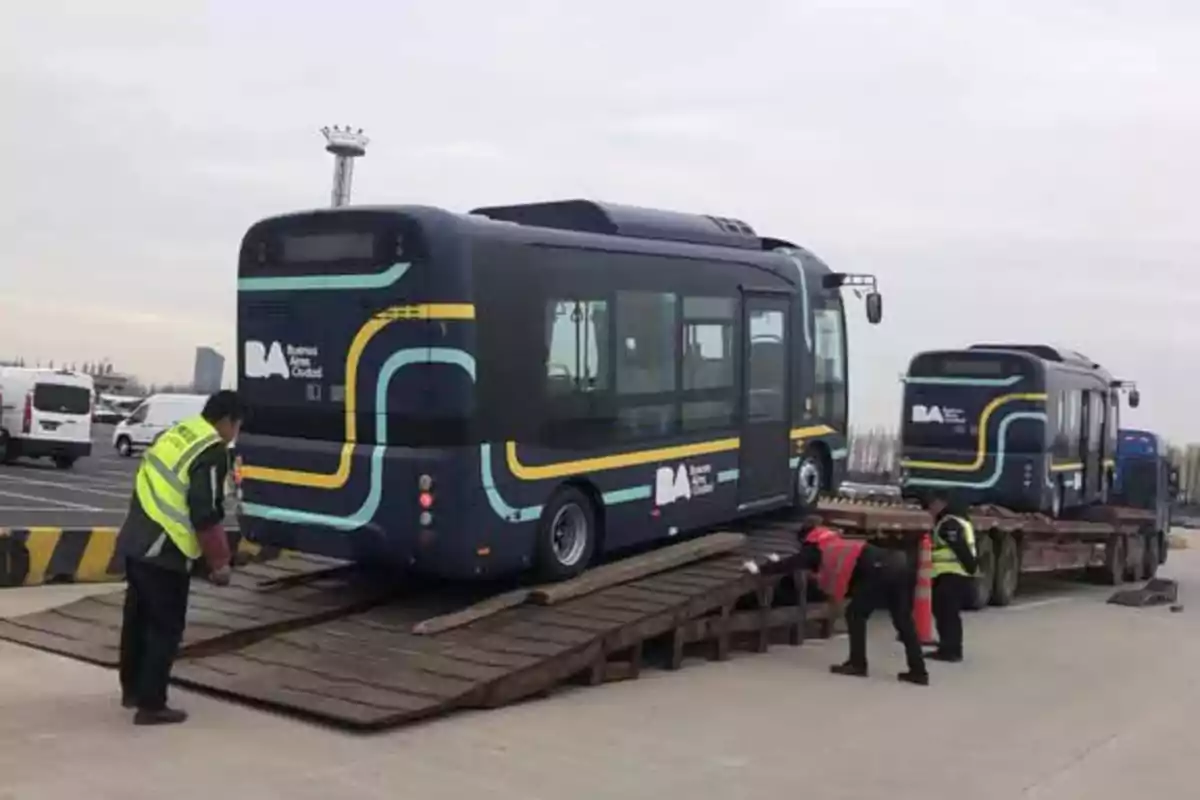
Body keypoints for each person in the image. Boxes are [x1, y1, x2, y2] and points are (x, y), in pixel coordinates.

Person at [115, 390, 243, 725]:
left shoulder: (179, 432)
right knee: (165, 627)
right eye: (238, 426)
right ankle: (152, 704)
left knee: (138, 619)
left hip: (136, 539)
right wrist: (219, 562)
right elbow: (204, 511)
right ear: (228, 421)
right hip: (165, 549)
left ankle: (132, 691)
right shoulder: (212, 449)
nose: (236, 434)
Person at [798, 519, 929, 686]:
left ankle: (857, 663)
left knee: (855, 614)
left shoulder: (814, 548)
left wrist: (763, 569)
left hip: (880, 569)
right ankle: (919, 671)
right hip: (899, 563)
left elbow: (794, 562)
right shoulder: (836, 540)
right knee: (903, 619)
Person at [924, 493, 978, 663]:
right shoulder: (958, 519)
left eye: (931, 505)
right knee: (948, 613)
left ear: (941, 503)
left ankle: (950, 650)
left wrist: (971, 568)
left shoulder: (949, 523)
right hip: (952, 573)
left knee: (946, 614)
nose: (930, 509)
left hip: (952, 573)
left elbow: (960, 547)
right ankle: (950, 647)